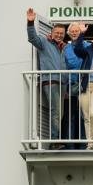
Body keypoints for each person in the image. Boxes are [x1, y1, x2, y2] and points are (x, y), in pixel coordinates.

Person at [26, 8, 66, 149]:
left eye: (62, 34)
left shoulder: (64, 48)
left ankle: (56, 139)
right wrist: (30, 23)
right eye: (57, 33)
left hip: (62, 83)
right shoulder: (44, 42)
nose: (59, 35)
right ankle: (54, 142)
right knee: (55, 112)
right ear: (52, 33)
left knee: (59, 113)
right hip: (50, 81)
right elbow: (32, 38)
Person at [61, 23, 89, 149]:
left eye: (77, 30)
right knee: (70, 116)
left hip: (85, 85)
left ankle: (84, 144)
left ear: (81, 32)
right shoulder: (66, 48)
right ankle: (69, 145)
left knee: (84, 115)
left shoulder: (88, 45)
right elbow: (63, 66)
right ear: (68, 33)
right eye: (72, 31)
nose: (74, 33)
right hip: (70, 86)